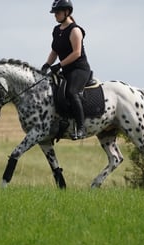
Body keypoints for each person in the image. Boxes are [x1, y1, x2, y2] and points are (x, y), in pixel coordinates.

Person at [41, 0, 91, 140]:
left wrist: (59, 65)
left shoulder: (75, 30)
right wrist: (46, 64)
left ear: (67, 12)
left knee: (71, 92)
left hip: (79, 69)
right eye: (54, 13)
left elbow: (77, 53)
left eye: (57, 13)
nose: (55, 15)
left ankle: (81, 127)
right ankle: (61, 122)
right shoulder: (57, 30)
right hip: (65, 69)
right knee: (52, 91)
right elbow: (54, 51)